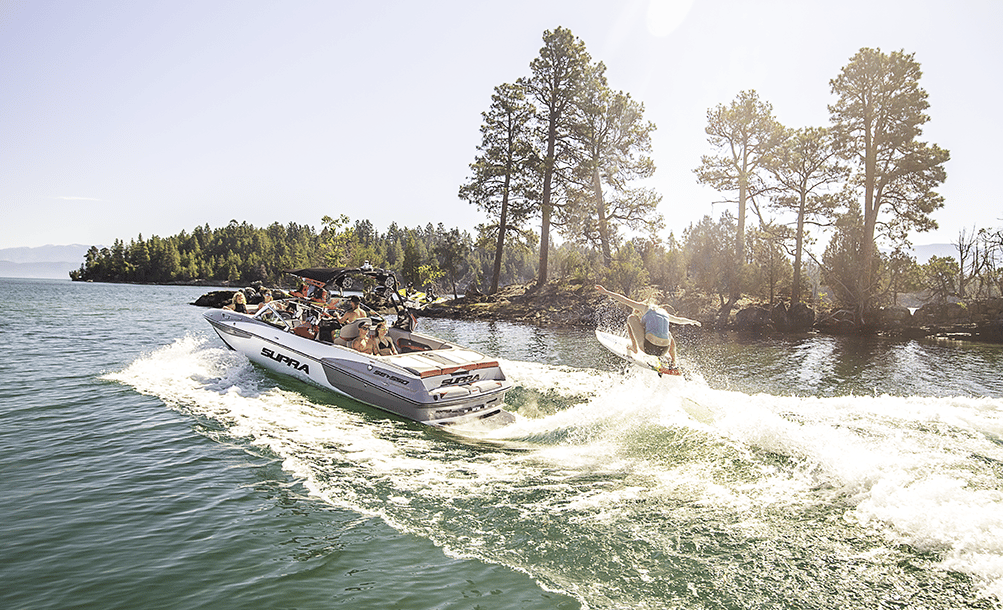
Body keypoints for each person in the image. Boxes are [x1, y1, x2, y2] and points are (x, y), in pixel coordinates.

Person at [595, 284, 701, 366]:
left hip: (648, 348)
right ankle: (674, 361)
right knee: (668, 333)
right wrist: (692, 321)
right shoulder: (664, 313)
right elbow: (679, 320)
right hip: (663, 350)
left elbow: (624, 300)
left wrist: (606, 292)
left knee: (631, 318)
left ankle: (634, 347)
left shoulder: (644, 307)